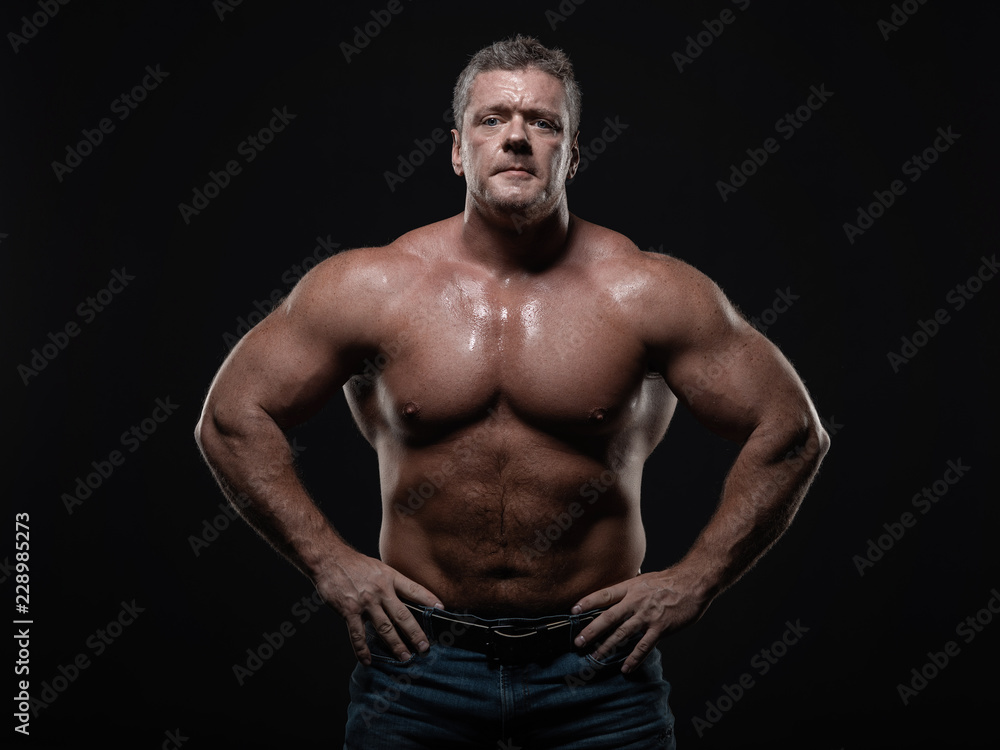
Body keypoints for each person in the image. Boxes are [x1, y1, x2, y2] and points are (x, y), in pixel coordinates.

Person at [194, 34, 829, 749]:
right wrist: (330, 564)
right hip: (417, 665)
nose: (518, 139)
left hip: (598, 671)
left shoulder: (647, 292)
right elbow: (230, 418)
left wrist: (698, 578)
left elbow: (791, 430)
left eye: (543, 123)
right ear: (459, 150)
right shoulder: (370, 288)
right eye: (493, 119)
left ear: (573, 153)